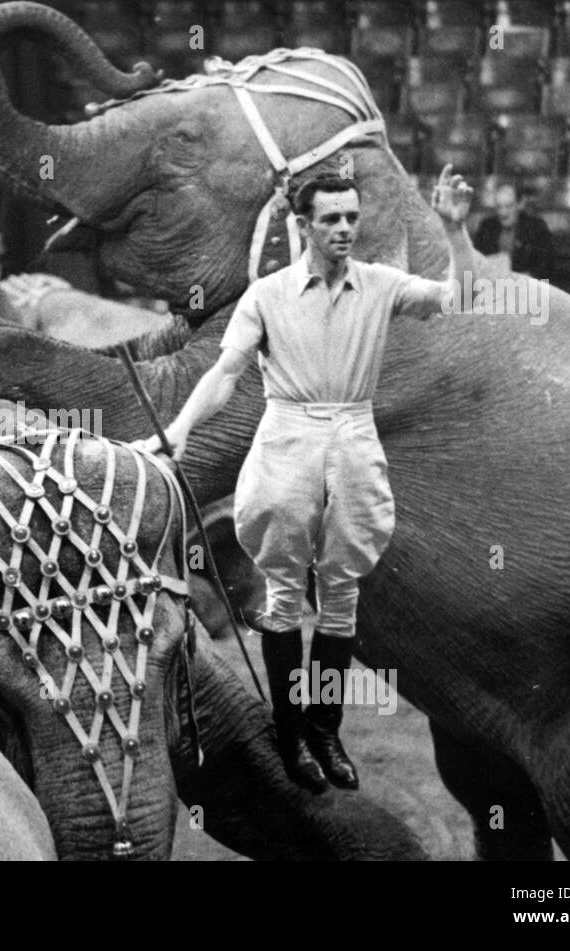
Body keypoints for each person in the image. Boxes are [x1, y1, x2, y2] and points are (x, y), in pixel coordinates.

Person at [136, 166, 477, 792]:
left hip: (353, 442)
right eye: (331, 219)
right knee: (286, 600)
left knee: (342, 599)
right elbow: (226, 373)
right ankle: (291, 737)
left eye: (352, 217)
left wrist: (453, 230)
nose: (345, 228)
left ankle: (326, 731)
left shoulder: (378, 285)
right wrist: (181, 429)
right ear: (303, 225)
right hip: (287, 443)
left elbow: (449, 299)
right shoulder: (266, 295)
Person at [472, 181, 554, 280]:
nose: (503, 212)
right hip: (492, 286)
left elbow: (545, 265)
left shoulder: (536, 227)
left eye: (508, 206)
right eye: (499, 207)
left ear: (520, 204)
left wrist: (520, 279)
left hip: (526, 287)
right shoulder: (487, 226)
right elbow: (476, 259)